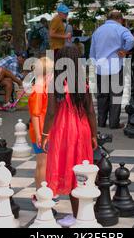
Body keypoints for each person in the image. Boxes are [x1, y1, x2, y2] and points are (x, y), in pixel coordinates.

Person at [40, 46, 98, 227]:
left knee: (68, 169)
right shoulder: (83, 83)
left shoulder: (55, 83)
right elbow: (91, 112)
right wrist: (94, 135)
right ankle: (82, 212)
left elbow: (50, 113)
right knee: (81, 170)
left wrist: (44, 134)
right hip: (82, 129)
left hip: (64, 130)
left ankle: (76, 215)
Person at [90, 11, 134, 129]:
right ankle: (114, 122)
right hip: (115, 64)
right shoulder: (120, 29)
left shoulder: (98, 31)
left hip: (101, 66)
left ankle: (101, 122)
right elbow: (131, 40)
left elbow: (92, 51)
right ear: (120, 19)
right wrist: (125, 50)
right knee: (115, 94)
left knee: (102, 95)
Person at [28, 57, 54, 191]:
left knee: (43, 163)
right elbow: (35, 114)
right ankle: (41, 193)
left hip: (44, 131)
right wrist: (39, 135)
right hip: (40, 132)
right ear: (48, 73)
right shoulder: (38, 89)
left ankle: (41, 191)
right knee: (42, 164)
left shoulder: (43, 87)